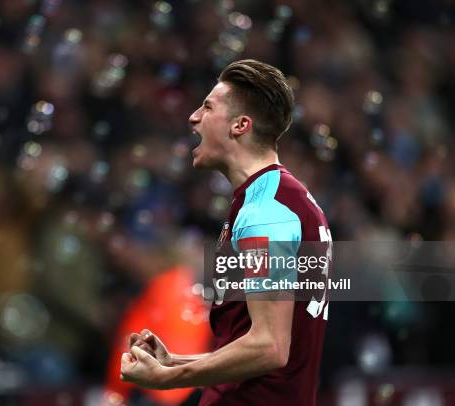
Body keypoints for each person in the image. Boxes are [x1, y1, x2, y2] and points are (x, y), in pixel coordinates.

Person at [120, 59, 332, 405]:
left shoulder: (265, 213)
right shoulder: (282, 200)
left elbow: (270, 348)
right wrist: (173, 360)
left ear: (240, 125)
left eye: (207, 107)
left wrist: (170, 378)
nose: (193, 118)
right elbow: (258, 351)